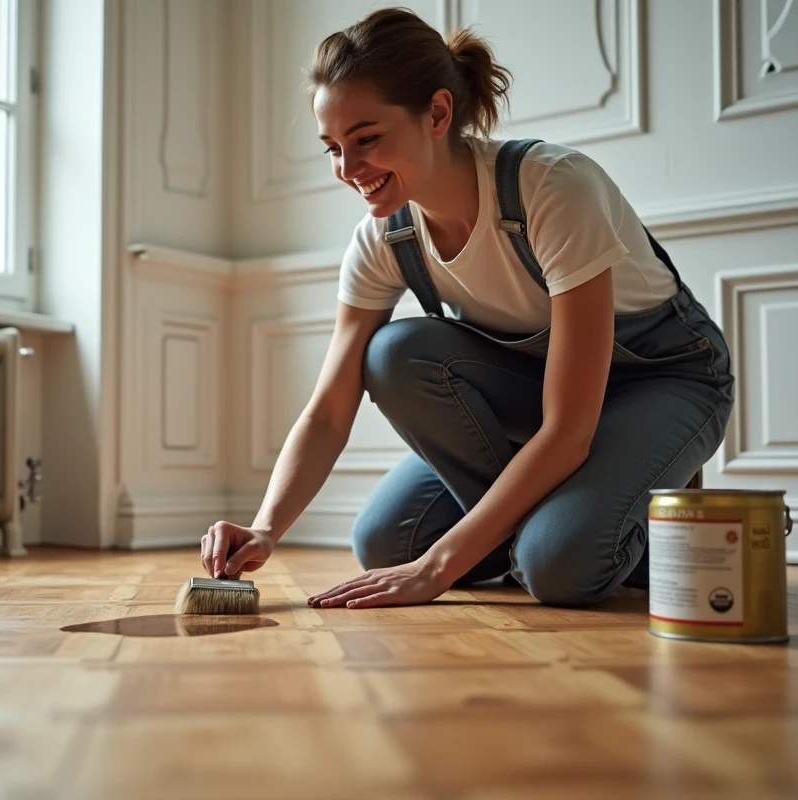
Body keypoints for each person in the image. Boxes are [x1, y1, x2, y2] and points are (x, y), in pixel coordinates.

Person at [200, 8, 734, 609]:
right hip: (546, 397)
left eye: (367, 139)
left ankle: (657, 508)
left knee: (558, 567)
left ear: (437, 113)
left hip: (662, 380)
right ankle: (559, 520)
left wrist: (435, 570)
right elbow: (328, 412)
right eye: (333, 148)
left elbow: (566, 430)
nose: (348, 171)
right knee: (385, 535)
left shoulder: (553, 189)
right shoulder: (384, 240)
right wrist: (267, 527)